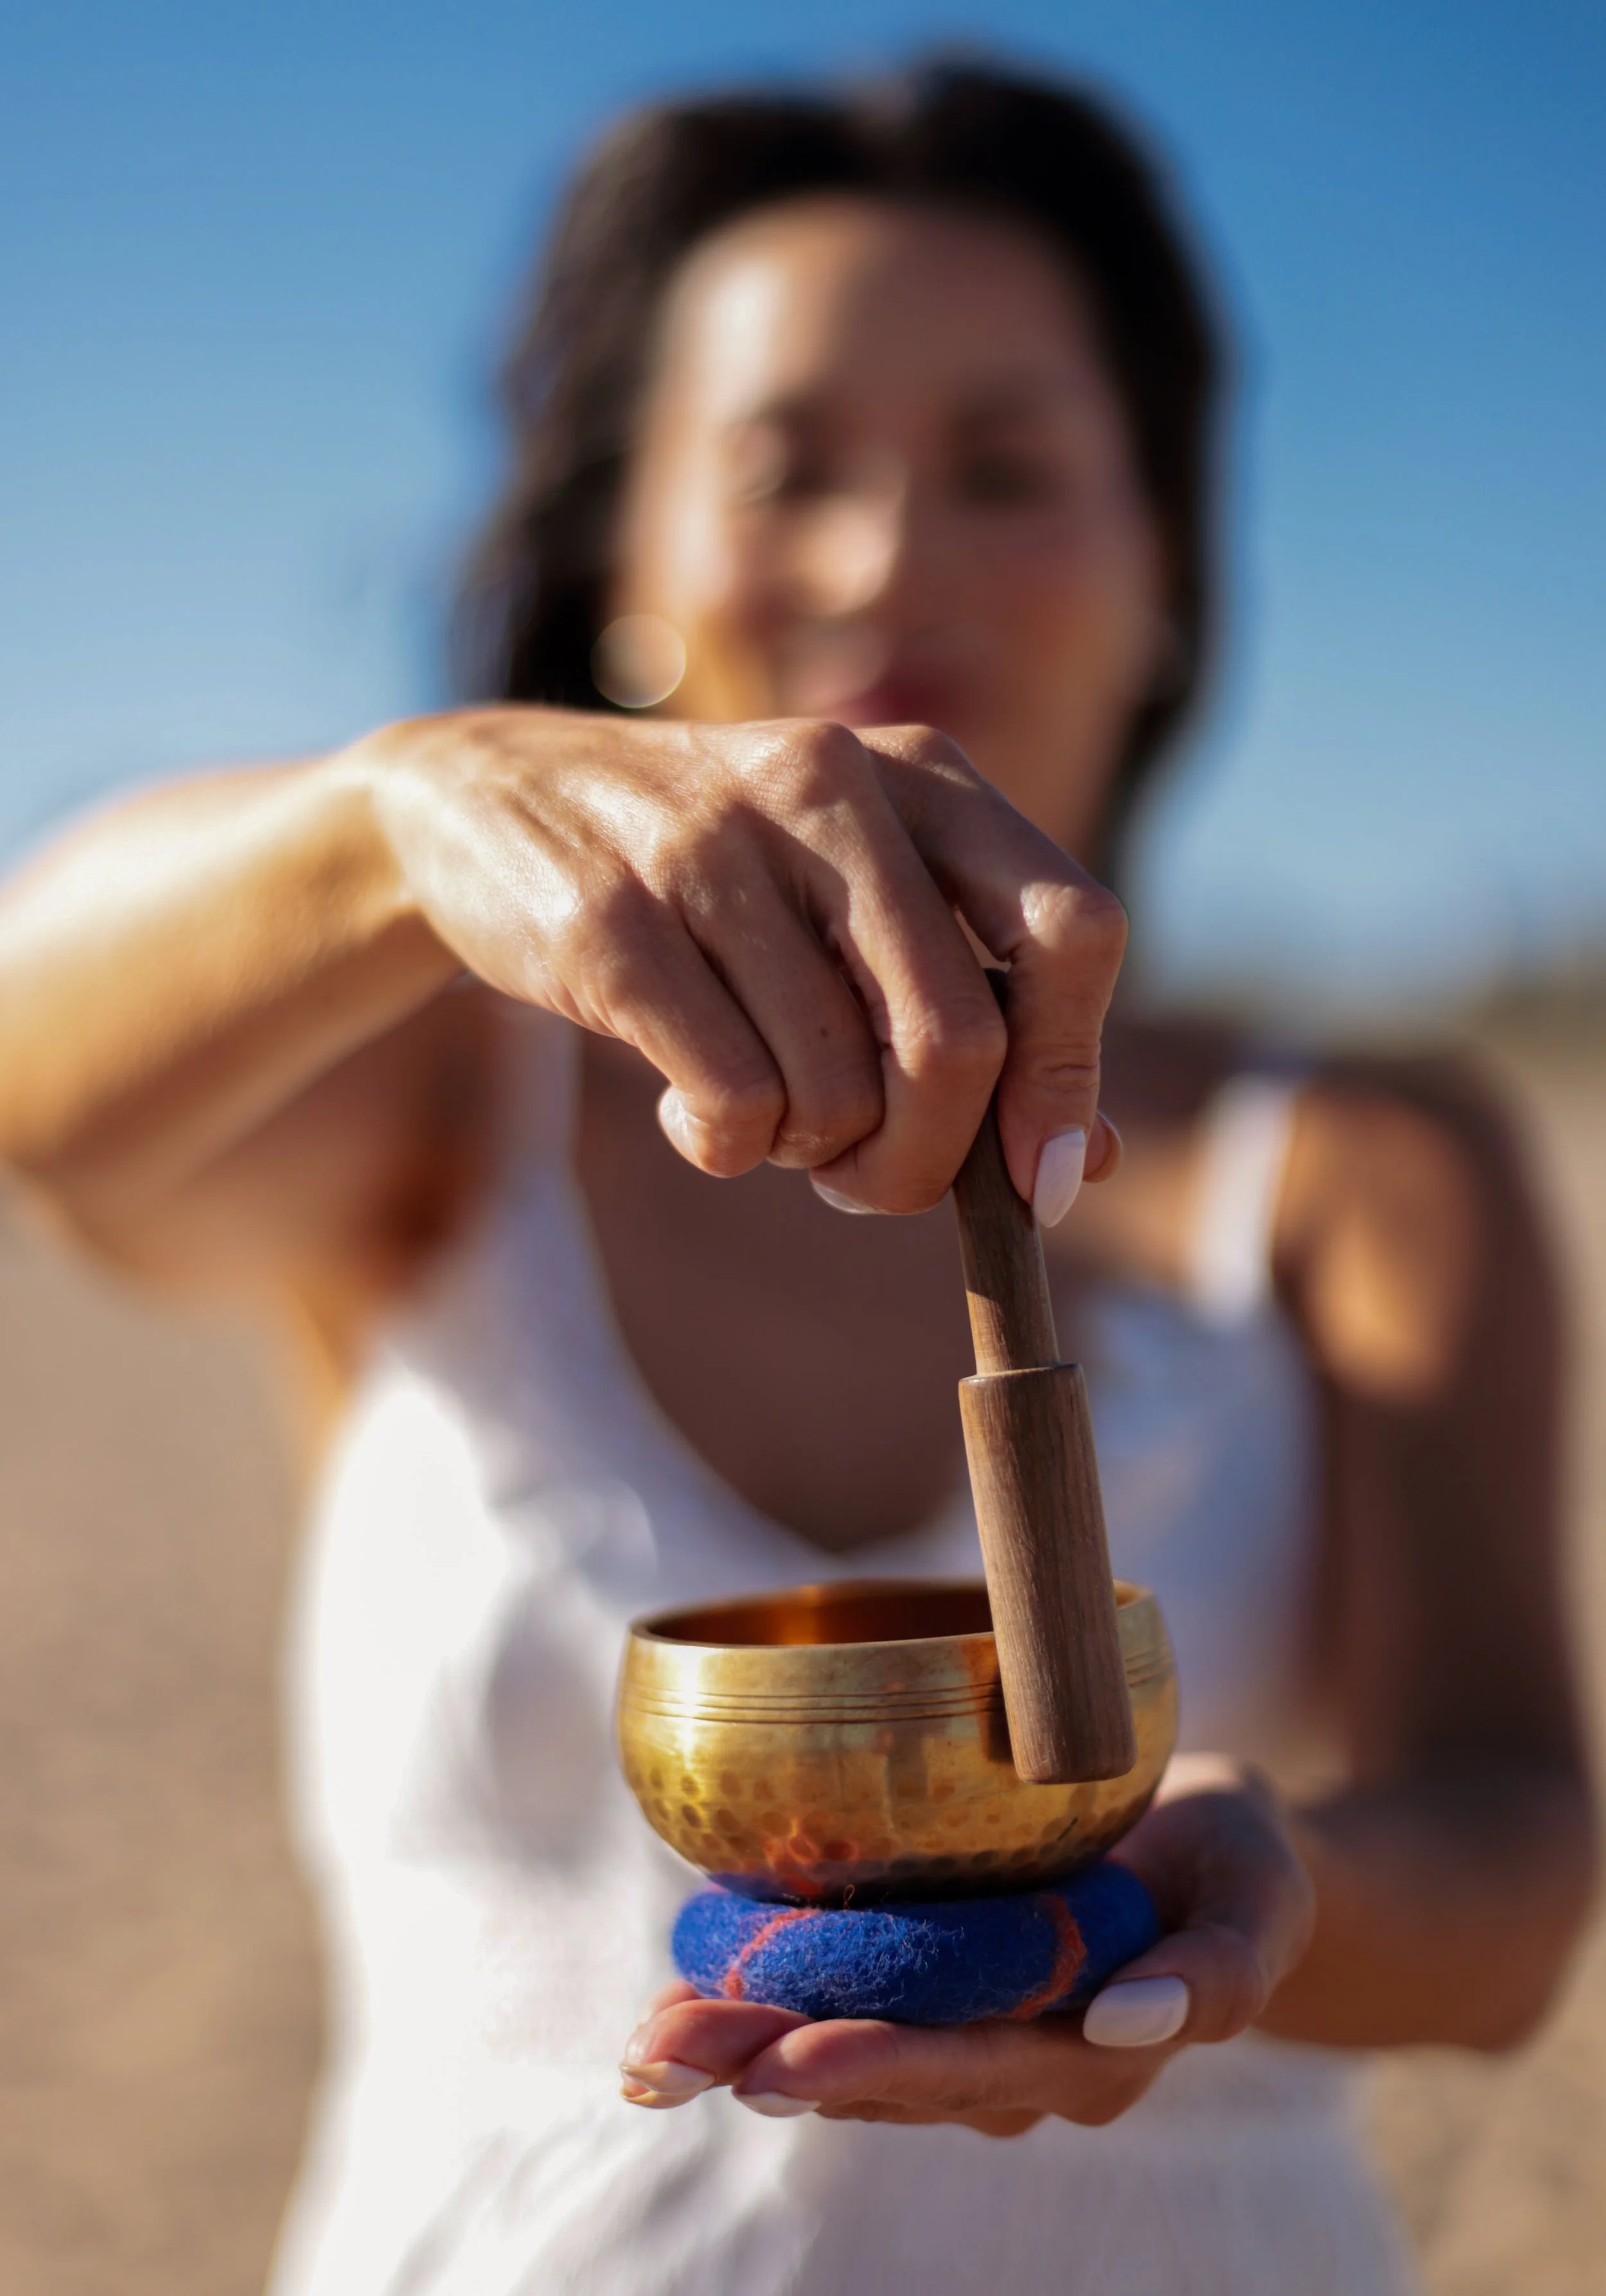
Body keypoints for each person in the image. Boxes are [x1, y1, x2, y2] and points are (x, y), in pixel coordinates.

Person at [0, 56, 1592, 2296]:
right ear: (627, 567)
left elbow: (1510, 1870)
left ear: (1160, 573)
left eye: (1006, 466)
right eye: (784, 470)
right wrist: (395, 812)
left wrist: (1266, 1889)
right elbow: (42, 1089)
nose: (882, 557)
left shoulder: (1356, 1157)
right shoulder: (429, 1113)